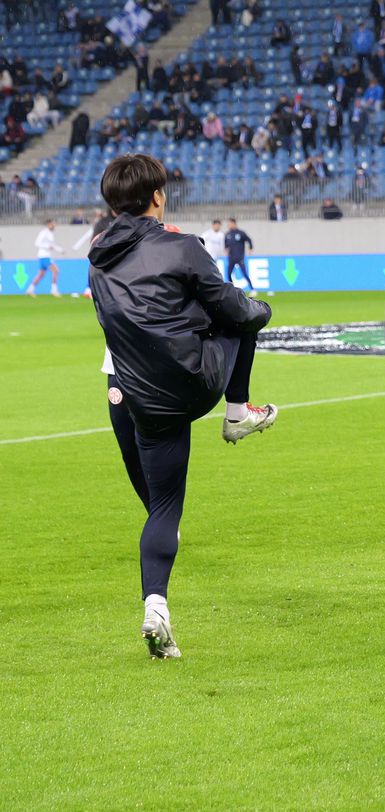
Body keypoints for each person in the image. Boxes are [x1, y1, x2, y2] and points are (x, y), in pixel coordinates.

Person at [88, 154, 276, 659]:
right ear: (157, 196)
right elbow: (231, 308)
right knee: (243, 318)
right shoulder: (180, 246)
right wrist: (261, 309)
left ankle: (157, 607)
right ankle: (237, 414)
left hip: (123, 390)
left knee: (159, 508)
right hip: (177, 389)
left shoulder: (98, 256)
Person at [27, 219, 64, 297]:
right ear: (49, 224)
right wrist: (47, 246)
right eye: (53, 224)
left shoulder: (50, 234)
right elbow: (37, 243)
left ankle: (30, 289)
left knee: (41, 274)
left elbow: (52, 245)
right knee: (56, 270)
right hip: (44, 256)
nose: (55, 226)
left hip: (45, 256)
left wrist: (60, 250)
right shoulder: (43, 232)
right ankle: (54, 290)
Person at [223, 217, 255, 292]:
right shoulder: (227, 234)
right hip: (231, 258)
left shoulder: (241, 233)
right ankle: (232, 289)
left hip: (240, 257)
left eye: (230, 223)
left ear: (234, 223)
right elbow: (226, 245)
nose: (228, 225)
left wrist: (250, 249)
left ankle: (252, 289)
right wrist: (226, 250)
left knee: (244, 274)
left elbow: (249, 240)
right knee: (228, 274)